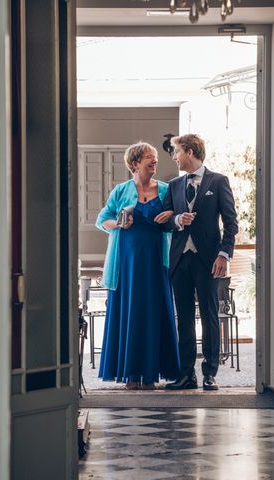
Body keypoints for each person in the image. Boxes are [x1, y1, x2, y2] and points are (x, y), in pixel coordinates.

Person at [155, 134, 238, 391]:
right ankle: (186, 375)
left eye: (176, 152)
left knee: (210, 317)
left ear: (189, 151)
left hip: (208, 260)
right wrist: (178, 220)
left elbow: (231, 222)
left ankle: (210, 374)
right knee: (185, 318)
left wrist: (223, 255)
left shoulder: (218, 181)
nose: (174, 157)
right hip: (180, 260)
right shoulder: (174, 185)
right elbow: (165, 221)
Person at [95, 141, 180, 389]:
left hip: (156, 260)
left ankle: (151, 372)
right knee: (130, 310)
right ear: (135, 163)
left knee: (155, 311)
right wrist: (119, 224)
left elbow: (174, 221)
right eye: (149, 158)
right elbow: (103, 220)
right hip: (127, 262)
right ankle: (131, 373)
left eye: (155, 158)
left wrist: (172, 218)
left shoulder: (166, 190)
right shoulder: (121, 191)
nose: (155, 161)